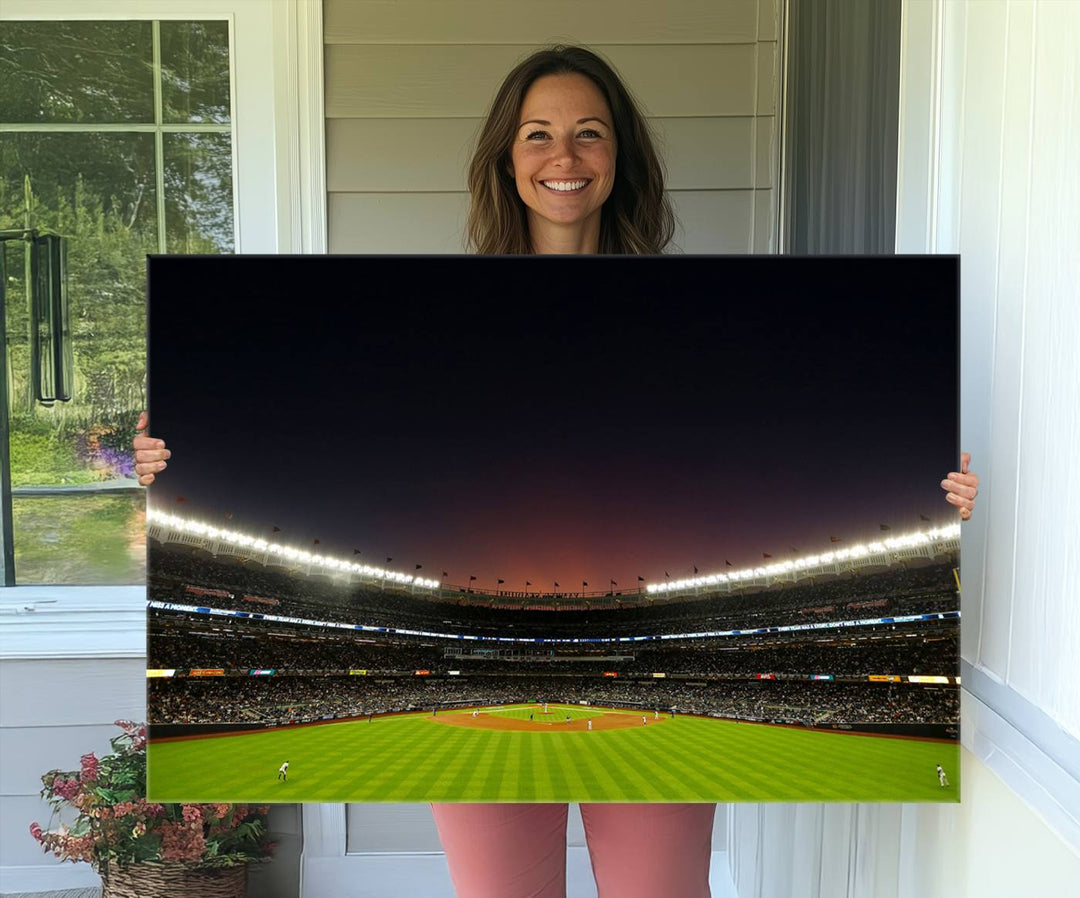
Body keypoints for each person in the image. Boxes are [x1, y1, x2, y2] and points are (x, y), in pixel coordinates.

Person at [134, 43, 980, 898]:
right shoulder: (439, 328)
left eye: (589, 134)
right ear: (507, 159)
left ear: (620, 159)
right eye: (538, 134)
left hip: (658, 683)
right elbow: (332, 445)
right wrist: (177, 463)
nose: (563, 157)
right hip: (473, 702)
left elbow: (787, 451)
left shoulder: (695, 322)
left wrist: (929, 497)